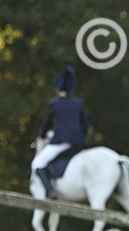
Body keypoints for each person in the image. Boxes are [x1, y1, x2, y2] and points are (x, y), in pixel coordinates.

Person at [31, 66, 89, 199]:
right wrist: (82, 139)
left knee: (38, 163)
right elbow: (85, 125)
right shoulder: (78, 104)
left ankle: (50, 191)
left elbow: (46, 124)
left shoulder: (54, 104)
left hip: (62, 141)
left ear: (57, 89)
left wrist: (42, 136)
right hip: (78, 142)